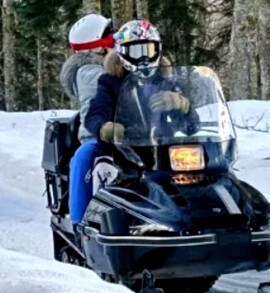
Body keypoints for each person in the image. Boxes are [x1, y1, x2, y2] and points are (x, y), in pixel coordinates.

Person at [85, 20, 193, 154]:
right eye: (136, 51)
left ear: (158, 50)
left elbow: (191, 128)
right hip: (120, 151)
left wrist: (182, 106)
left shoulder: (165, 80)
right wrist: (104, 127)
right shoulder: (110, 81)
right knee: (85, 158)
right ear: (122, 52)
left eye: (149, 50)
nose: (144, 58)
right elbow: (95, 112)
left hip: (161, 150)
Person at [59, 13, 115, 225]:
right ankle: (80, 221)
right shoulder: (89, 71)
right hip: (99, 132)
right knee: (85, 156)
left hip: (133, 131)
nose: (114, 39)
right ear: (97, 45)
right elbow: (103, 98)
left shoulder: (114, 62)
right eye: (109, 36)